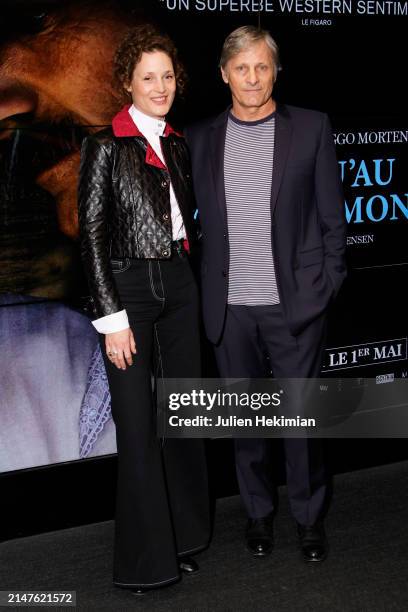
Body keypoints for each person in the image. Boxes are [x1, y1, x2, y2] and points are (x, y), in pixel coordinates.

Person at [185, 26, 346, 562]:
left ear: (275, 71)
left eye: (262, 67)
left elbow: (332, 219)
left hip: (294, 305)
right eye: (241, 68)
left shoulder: (311, 127)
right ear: (223, 73)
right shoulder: (200, 138)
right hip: (230, 310)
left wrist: (323, 287)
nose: (252, 78)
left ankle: (308, 518)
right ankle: (257, 514)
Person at [78, 24, 210, 593]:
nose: (160, 87)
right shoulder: (104, 146)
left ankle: (184, 536)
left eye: (168, 76)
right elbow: (90, 235)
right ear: (127, 84)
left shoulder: (177, 142)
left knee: (182, 414)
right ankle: (144, 564)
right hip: (128, 291)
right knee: (137, 427)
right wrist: (111, 319)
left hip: (180, 284)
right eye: (148, 78)